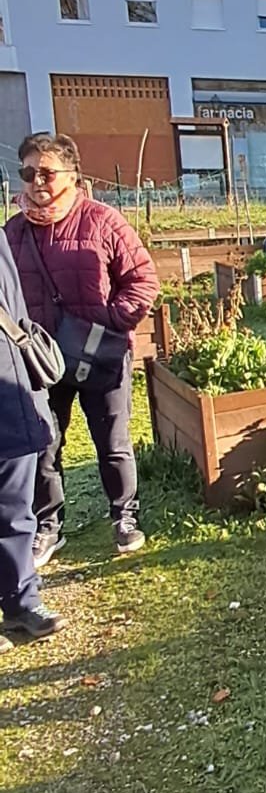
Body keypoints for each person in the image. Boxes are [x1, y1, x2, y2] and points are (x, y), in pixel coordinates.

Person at [5, 132, 159, 563]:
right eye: (29, 172)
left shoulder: (103, 221)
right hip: (39, 359)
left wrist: (109, 322)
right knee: (44, 444)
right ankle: (48, 526)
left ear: (72, 176)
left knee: (111, 440)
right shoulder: (13, 232)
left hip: (99, 353)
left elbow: (143, 281)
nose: (38, 182)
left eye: (47, 172)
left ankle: (124, 516)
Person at [0, 235, 60, 646]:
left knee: (17, 506)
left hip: (8, 387)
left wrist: (31, 390)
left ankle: (22, 602)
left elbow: (15, 311)